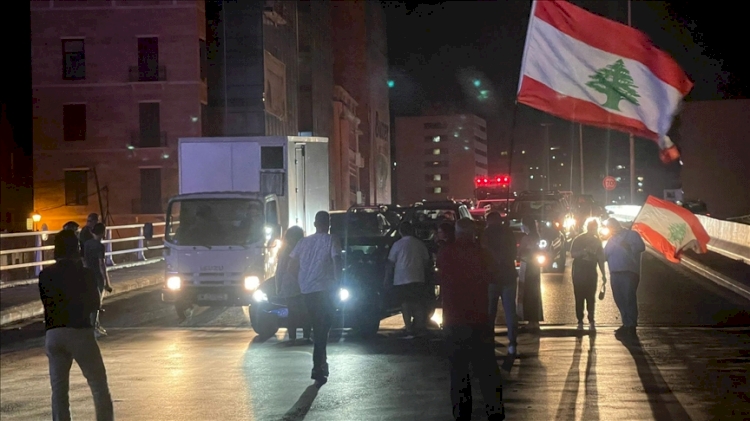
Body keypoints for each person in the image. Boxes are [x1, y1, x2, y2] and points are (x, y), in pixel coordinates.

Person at [39, 230, 114, 421]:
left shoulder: (45, 275)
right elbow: (94, 303)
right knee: (98, 385)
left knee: (59, 390)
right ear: (77, 249)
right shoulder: (85, 274)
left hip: (53, 333)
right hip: (79, 331)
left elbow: (45, 301)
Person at [437, 218, 505, 421]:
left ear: (456, 233)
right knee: (486, 370)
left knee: (458, 372)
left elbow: (440, 277)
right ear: (473, 233)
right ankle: (494, 410)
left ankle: (461, 413)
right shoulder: (483, 254)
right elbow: (495, 276)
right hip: (479, 319)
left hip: (454, 320)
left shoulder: (446, 254)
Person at [287, 211, 343, 385]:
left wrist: (300, 281)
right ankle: (318, 365)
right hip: (325, 289)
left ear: (314, 223)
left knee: (318, 326)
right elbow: (337, 262)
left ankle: (321, 364)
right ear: (328, 224)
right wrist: (338, 282)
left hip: (307, 291)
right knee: (323, 327)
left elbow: (291, 266)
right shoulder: (332, 239)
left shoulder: (303, 242)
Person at [481, 212, 518, 355]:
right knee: (510, 311)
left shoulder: (486, 234)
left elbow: (483, 253)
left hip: (492, 277)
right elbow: (514, 253)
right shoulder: (508, 232)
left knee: (490, 312)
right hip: (508, 275)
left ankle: (489, 339)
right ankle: (512, 342)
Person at [385, 221, 431, 338]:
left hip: (401, 279)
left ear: (400, 231)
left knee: (405, 304)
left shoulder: (397, 245)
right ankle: (420, 327)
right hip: (418, 277)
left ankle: (409, 328)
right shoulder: (419, 244)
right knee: (418, 303)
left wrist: (387, 279)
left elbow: (391, 263)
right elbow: (426, 261)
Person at [603, 218, 645, 338]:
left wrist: (629, 246)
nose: (611, 229)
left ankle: (631, 325)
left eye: (612, 226)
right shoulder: (611, 240)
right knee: (619, 298)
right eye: (609, 227)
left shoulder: (632, 235)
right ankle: (626, 323)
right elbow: (604, 255)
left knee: (628, 297)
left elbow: (641, 247)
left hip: (629, 272)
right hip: (615, 273)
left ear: (617, 225)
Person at [275, 226, 312, 345]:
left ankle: (292, 337)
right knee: (305, 311)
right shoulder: (304, 248)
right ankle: (306, 336)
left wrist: (278, 286)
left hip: (288, 284)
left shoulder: (283, 251)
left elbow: (279, 270)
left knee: (292, 312)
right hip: (302, 283)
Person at [570, 219, 607, 332]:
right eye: (591, 227)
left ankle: (591, 320)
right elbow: (572, 254)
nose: (592, 230)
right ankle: (580, 320)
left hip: (591, 271)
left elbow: (601, 259)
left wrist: (604, 275)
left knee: (591, 297)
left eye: (594, 227)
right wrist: (583, 252)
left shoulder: (597, 242)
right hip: (579, 271)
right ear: (587, 227)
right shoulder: (579, 239)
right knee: (579, 297)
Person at [84, 223, 113, 338]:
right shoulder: (99, 246)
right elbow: (101, 264)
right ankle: (94, 327)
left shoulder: (87, 244)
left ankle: (95, 325)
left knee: (90, 301)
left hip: (87, 274)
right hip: (96, 275)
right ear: (102, 233)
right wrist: (107, 282)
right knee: (97, 302)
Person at [517, 218, 543, 332]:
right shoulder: (537, 237)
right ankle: (535, 320)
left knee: (527, 293)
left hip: (527, 266)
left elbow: (520, 252)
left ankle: (529, 320)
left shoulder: (526, 238)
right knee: (535, 292)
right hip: (535, 267)